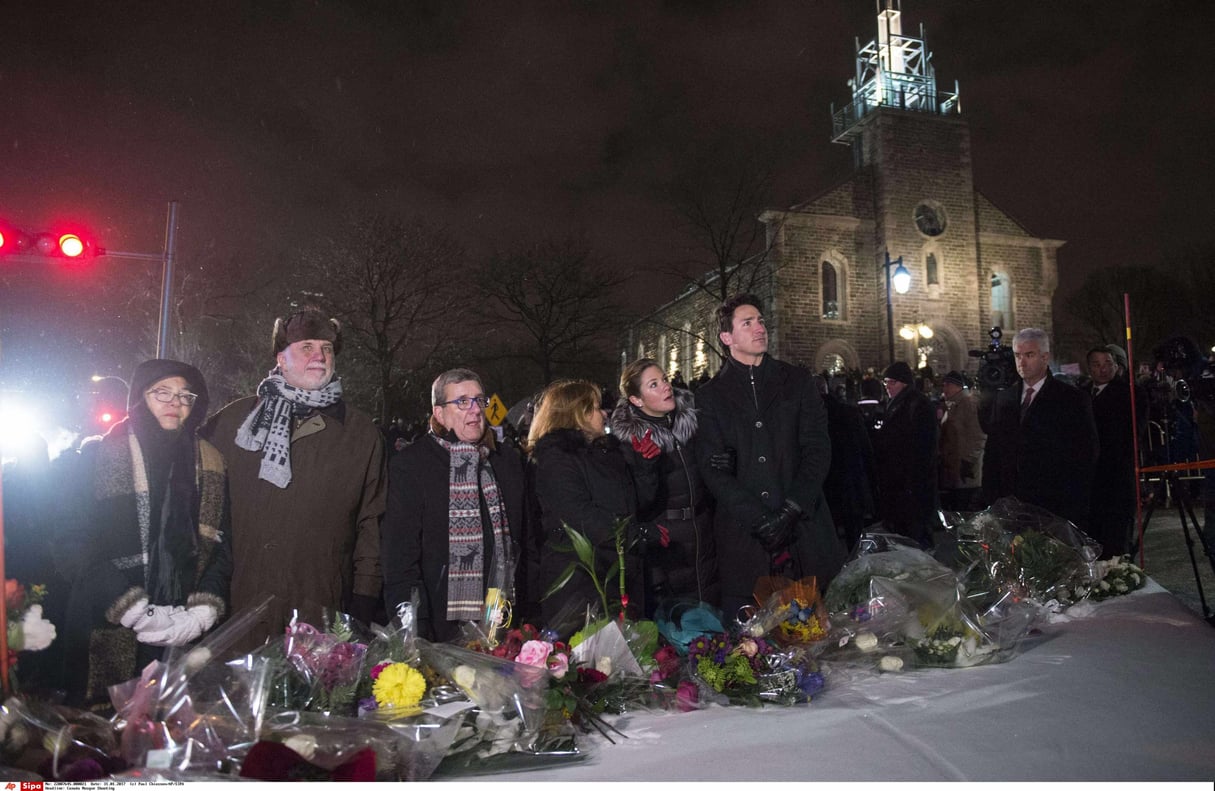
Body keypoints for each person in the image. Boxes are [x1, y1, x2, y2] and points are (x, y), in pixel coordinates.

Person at [202, 309, 386, 650]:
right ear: (280, 359)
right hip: (236, 610)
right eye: (306, 346)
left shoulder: (360, 434)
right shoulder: (231, 423)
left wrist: (363, 602)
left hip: (319, 611)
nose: (319, 355)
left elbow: (370, 525)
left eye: (327, 348)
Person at [57, 359, 231, 707]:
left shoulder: (212, 462)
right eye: (161, 393)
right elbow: (74, 542)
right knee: (101, 738)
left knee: (170, 734)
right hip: (109, 620)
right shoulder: (95, 457)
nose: (175, 403)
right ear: (139, 399)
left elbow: (223, 544)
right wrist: (133, 609)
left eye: (185, 395)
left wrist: (202, 612)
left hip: (181, 626)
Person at [694, 294, 847, 617]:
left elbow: (818, 448)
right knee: (756, 638)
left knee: (819, 632)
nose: (759, 328)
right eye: (747, 323)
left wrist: (791, 508)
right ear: (727, 337)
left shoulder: (797, 381)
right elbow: (713, 470)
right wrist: (759, 519)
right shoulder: (709, 397)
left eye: (761, 321)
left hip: (803, 529)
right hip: (746, 539)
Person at [381, 369, 526, 642]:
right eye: (461, 402)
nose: (474, 410)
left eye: (479, 400)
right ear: (439, 414)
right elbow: (399, 558)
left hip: (503, 618)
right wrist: (416, 632)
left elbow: (525, 543)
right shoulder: (412, 466)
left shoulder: (506, 462)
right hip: (438, 624)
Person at [525, 379, 659, 626]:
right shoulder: (556, 459)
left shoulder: (605, 452)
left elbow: (633, 503)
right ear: (579, 414)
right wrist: (635, 534)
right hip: (583, 581)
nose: (604, 414)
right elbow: (580, 515)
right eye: (596, 407)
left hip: (618, 573)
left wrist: (645, 467)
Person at [611, 359, 719, 610]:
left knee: (712, 612)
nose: (666, 387)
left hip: (703, 532)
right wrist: (646, 467)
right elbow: (636, 505)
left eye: (665, 380)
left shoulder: (691, 425)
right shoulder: (630, 444)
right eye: (654, 384)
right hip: (669, 543)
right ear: (637, 400)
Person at [980, 328, 1098, 529]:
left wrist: (1071, 507)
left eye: (1029, 355)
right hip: (1010, 507)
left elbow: (1084, 454)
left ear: (1045, 357)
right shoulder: (1004, 398)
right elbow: (993, 452)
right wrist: (991, 500)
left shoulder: (1071, 399)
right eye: (1018, 355)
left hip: (1053, 506)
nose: (1022, 362)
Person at [871, 361, 940, 547]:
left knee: (915, 535)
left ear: (904, 383)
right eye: (886, 382)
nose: (887, 387)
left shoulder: (918, 405)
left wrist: (913, 479)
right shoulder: (894, 404)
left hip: (912, 484)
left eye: (892, 382)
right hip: (897, 483)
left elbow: (924, 447)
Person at [1086, 347, 1145, 558]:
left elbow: (1131, 432)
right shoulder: (1082, 393)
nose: (1103, 370)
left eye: (1108, 364)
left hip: (1116, 476)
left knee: (1117, 538)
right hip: (1089, 481)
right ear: (1089, 368)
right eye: (1097, 365)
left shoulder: (1128, 393)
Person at [814, 375, 878, 553]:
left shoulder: (809, 416)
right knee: (854, 540)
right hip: (851, 485)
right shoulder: (849, 413)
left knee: (827, 543)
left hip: (824, 489)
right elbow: (866, 450)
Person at [938, 370, 986, 512]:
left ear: (958, 386)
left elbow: (978, 435)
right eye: (944, 385)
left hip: (965, 472)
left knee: (965, 511)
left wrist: (968, 462)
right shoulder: (952, 405)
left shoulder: (968, 404)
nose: (944, 388)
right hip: (955, 470)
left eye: (948, 385)